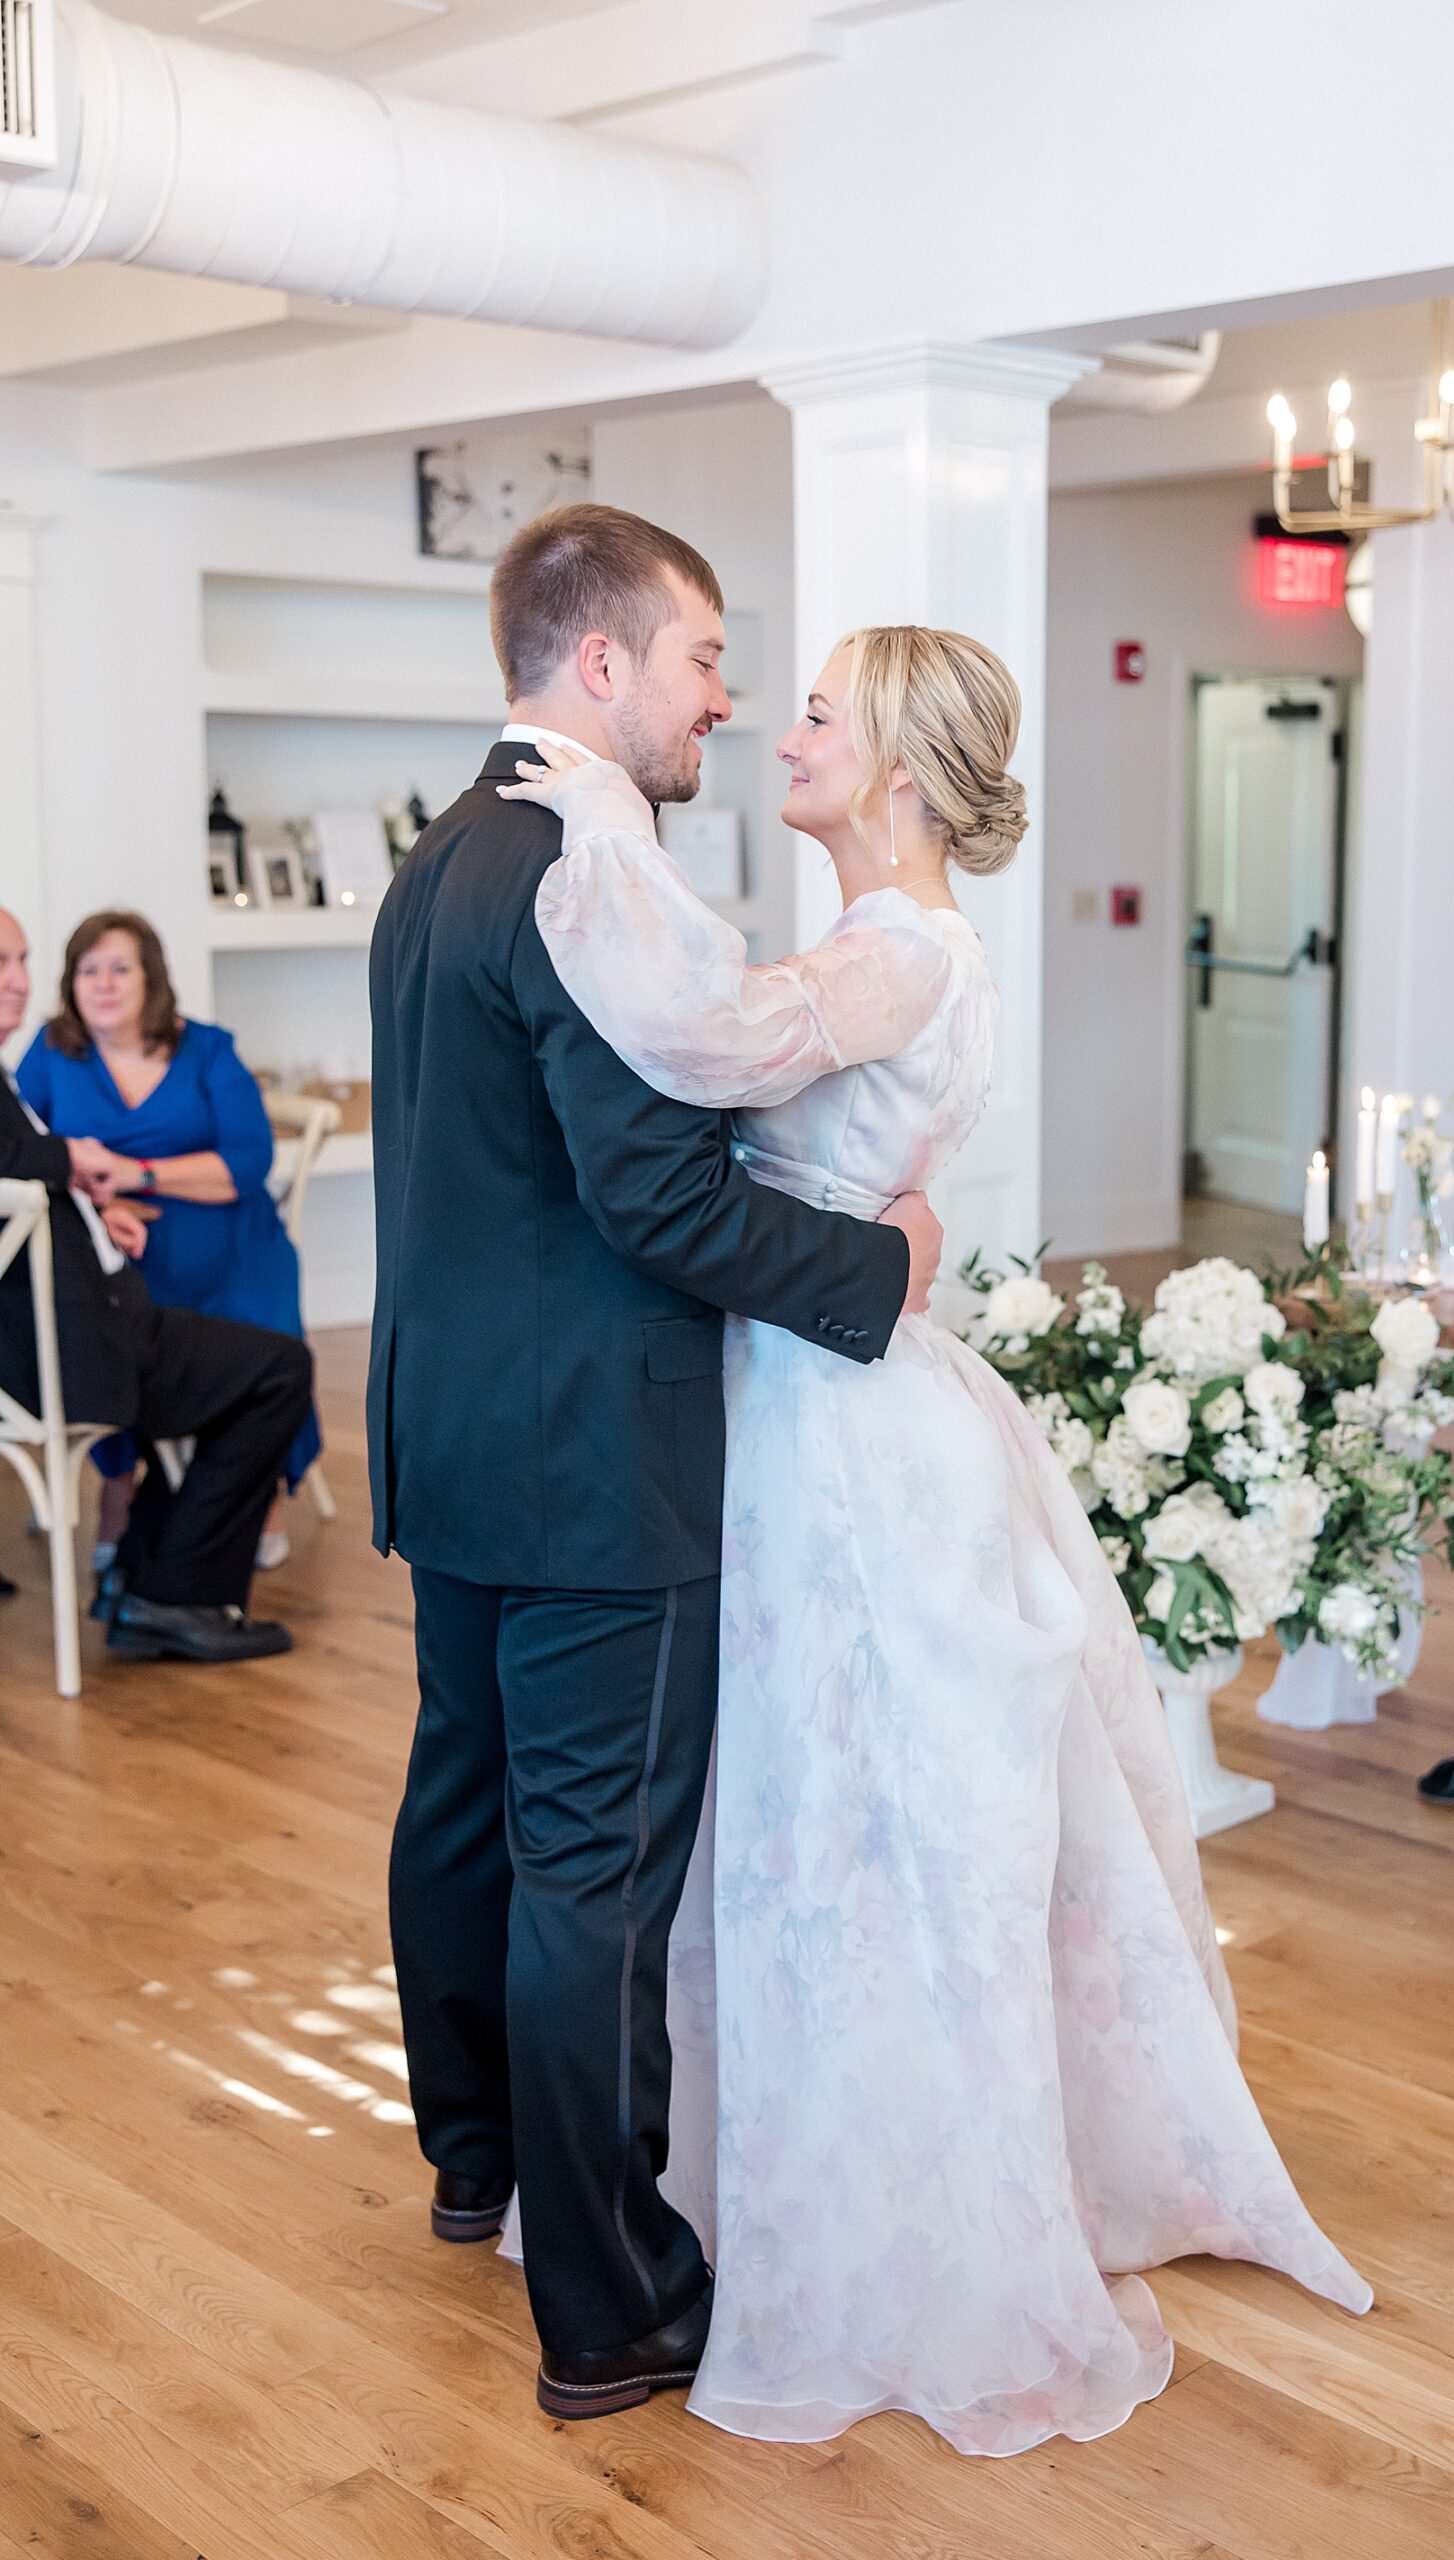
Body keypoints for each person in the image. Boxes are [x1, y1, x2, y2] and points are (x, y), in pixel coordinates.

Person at [497, 622, 1372, 2456]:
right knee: (788, 1806)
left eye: (817, 712)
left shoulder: (898, 955)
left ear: (894, 765)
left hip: (835, 1426)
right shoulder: (876, 947)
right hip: (808, 1383)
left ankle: (880, 2205)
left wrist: (587, 835)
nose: (783, 733)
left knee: (849, 1822)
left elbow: (702, 1039)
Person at [372, 504, 942, 2427]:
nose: (724, 698)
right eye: (702, 658)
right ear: (600, 664)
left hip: (449, 1425)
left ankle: (476, 2160)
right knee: (589, 1873)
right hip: (594, 1452)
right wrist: (886, 1271)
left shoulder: (438, 858)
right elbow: (658, 1205)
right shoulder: (586, 885)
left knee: (464, 1807)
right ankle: (612, 2308)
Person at [0, 907, 310, 1663]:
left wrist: (95, 1210)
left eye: (20, 961)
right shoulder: (44, 1061)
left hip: (86, 1312)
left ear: (152, 978)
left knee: (244, 1353)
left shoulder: (201, 1050)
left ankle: (146, 1574)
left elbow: (243, 1162)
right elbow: (31, 1172)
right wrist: (81, 1196)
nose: (16, 982)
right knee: (277, 1371)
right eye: (2, 965)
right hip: (66, 1343)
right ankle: (173, 1595)